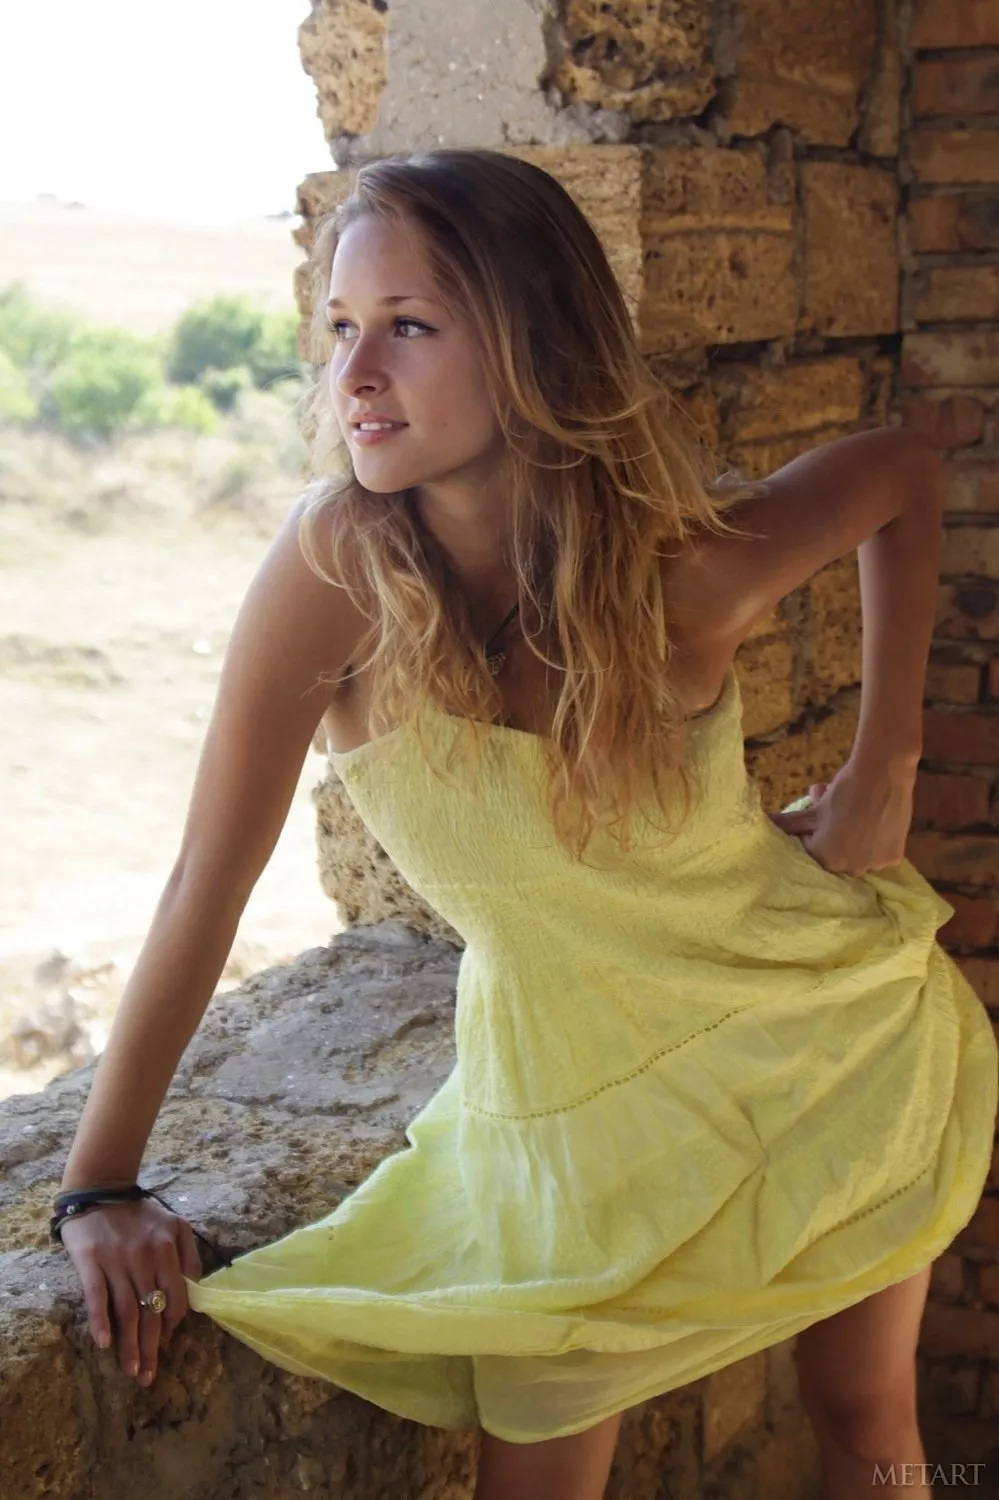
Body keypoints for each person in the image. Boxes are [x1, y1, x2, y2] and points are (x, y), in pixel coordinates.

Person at [52, 149, 996, 1500]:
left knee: (867, 1422)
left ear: (534, 345)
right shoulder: (339, 571)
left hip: (829, 1042)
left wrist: (883, 771)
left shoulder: (679, 570)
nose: (353, 373)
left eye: (410, 327)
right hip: (569, 1126)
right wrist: (99, 1187)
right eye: (340, 327)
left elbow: (901, 470)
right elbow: (210, 874)